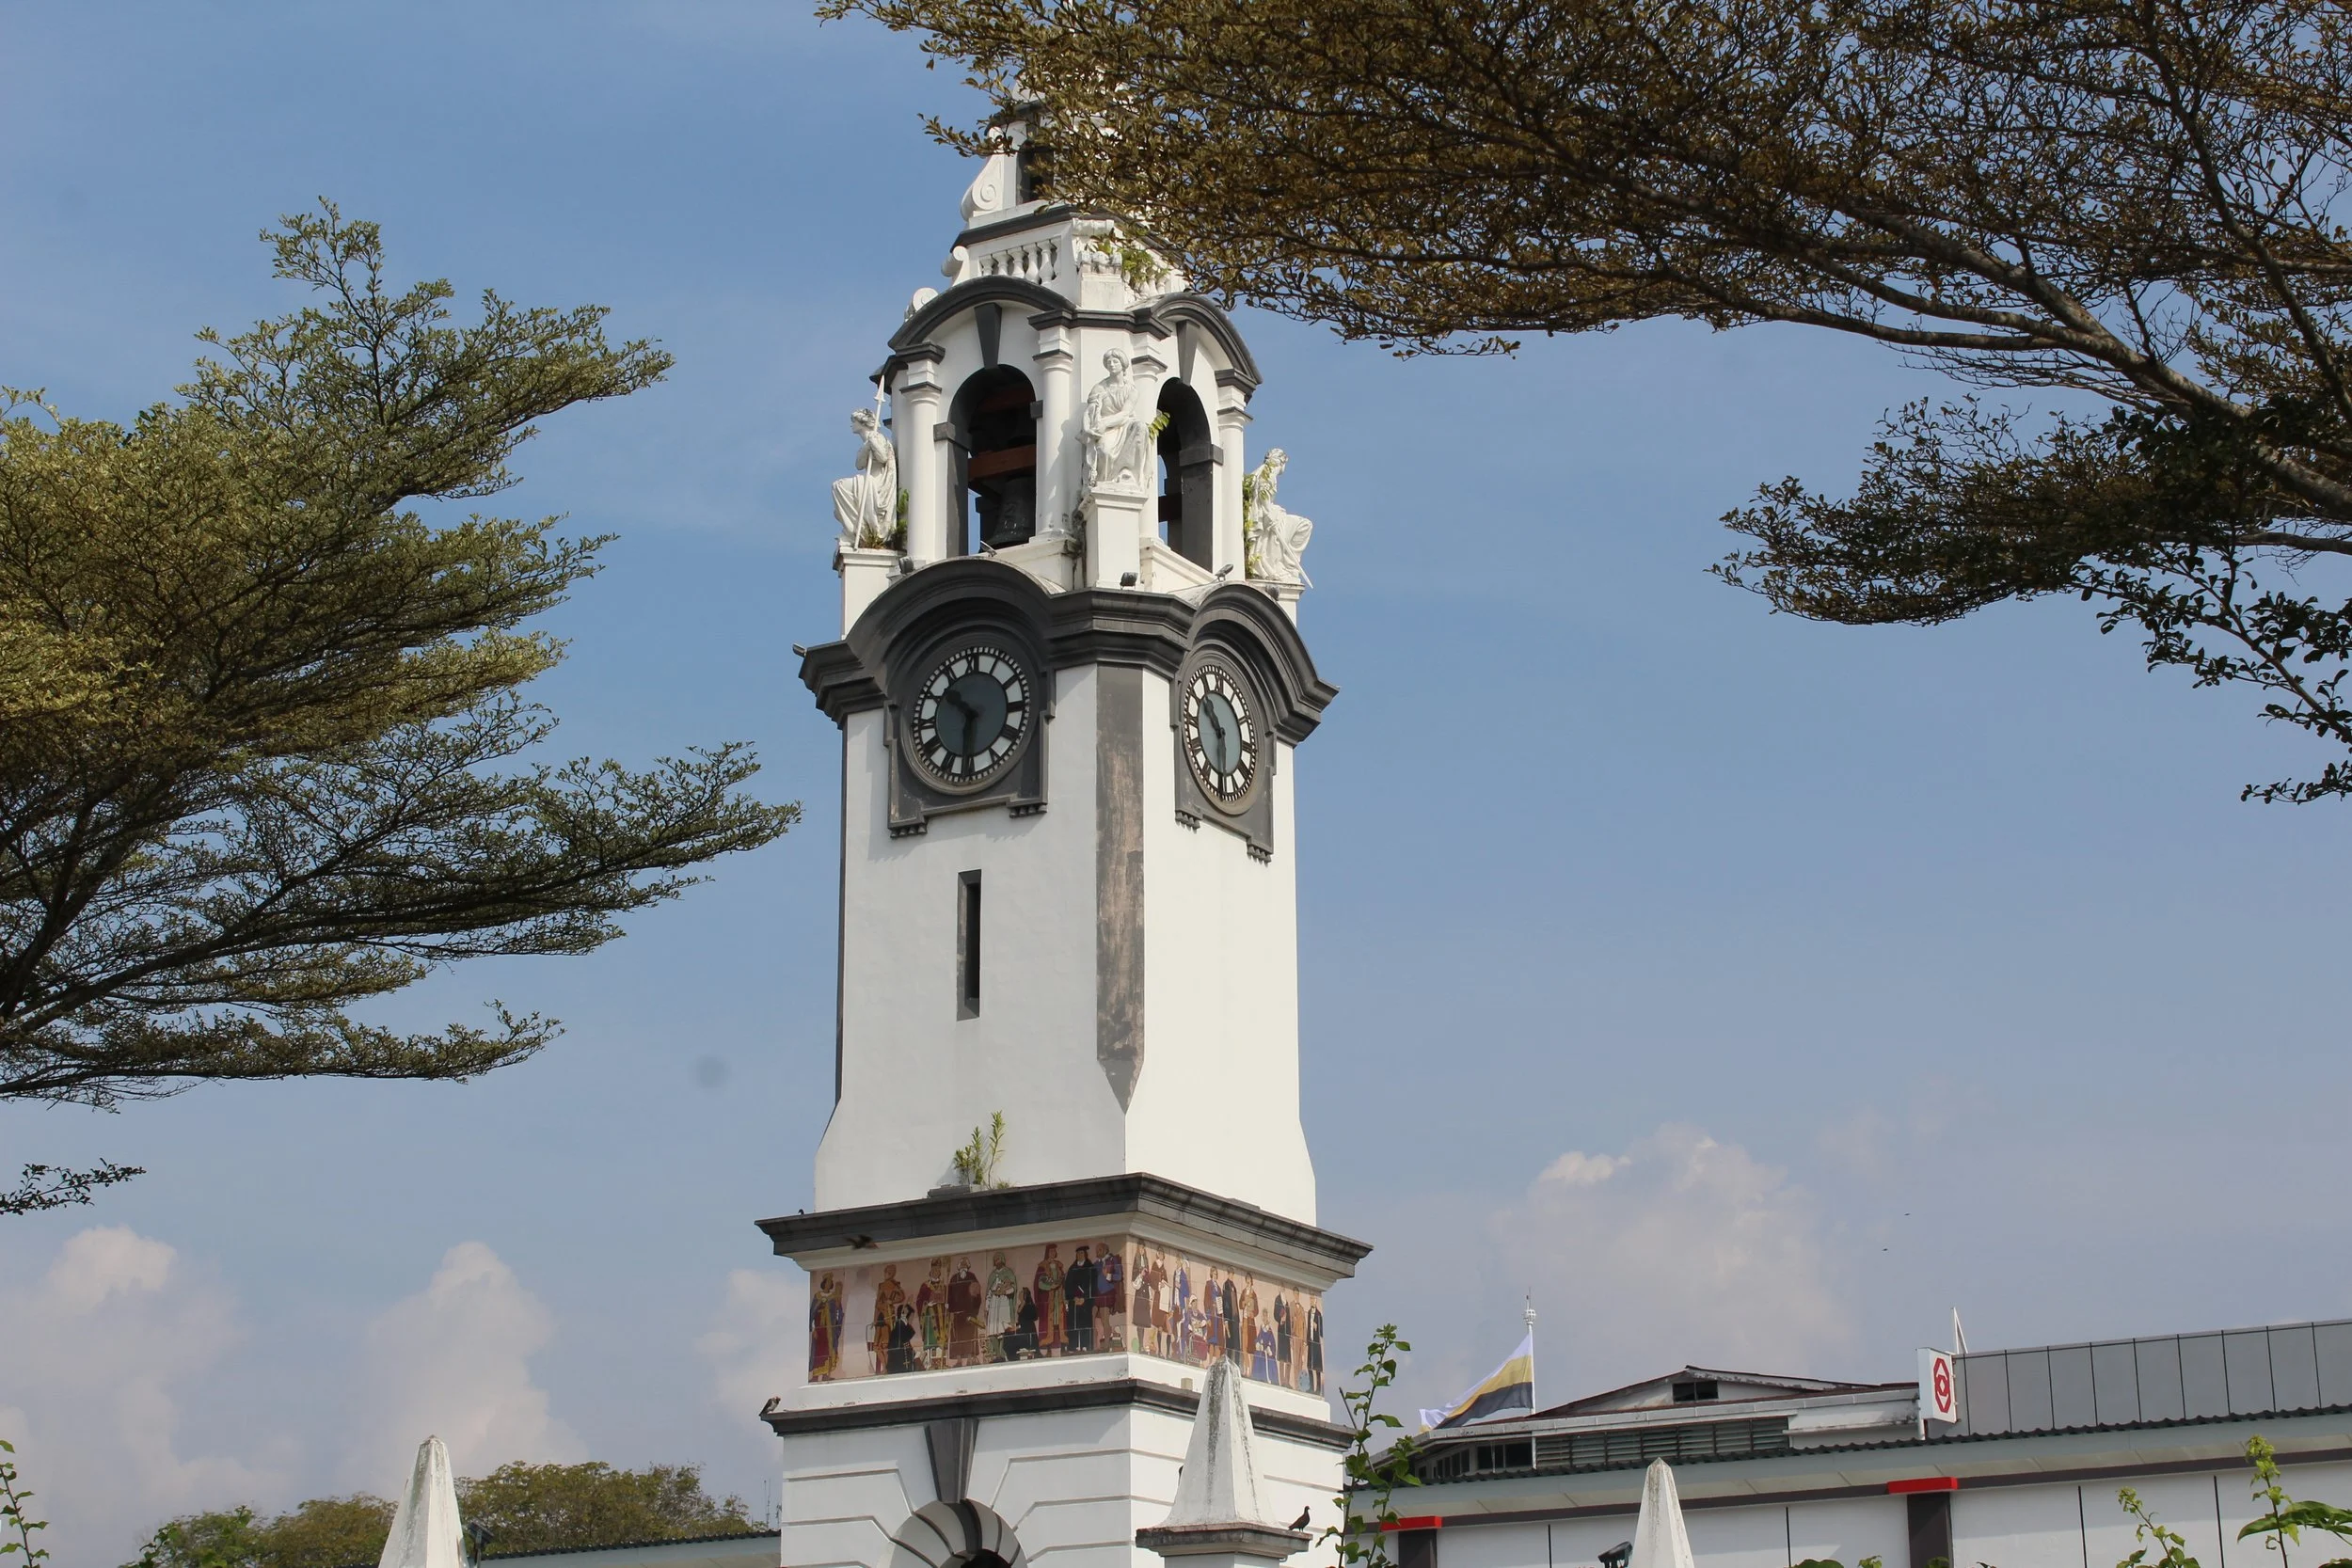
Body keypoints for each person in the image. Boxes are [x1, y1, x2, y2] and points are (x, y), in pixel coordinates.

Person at [1081, 352, 1152, 492]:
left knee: (1141, 427)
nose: (1112, 365)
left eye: (1115, 362)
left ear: (1123, 365)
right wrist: (1088, 427)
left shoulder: (1131, 390)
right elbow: (1089, 412)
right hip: (1105, 429)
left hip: (1122, 425)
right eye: (1109, 362)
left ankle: (1128, 473)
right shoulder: (1099, 388)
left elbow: (1125, 413)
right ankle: (1103, 482)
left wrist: (1105, 423)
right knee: (1105, 451)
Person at [1243, 448, 1313, 584]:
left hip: (1269, 514)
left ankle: (1287, 565)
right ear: (1281, 462)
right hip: (1266, 516)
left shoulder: (1264, 472)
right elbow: (1262, 493)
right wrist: (1268, 512)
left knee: (1303, 525)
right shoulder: (1268, 472)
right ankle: (1286, 565)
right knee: (1305, 525)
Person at [833, 406, 898, 548]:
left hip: (877, 482)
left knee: (839, 486)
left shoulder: (877, 437)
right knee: (838, 486)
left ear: (862, 423)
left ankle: (857, 530)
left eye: (854, 421)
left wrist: (872, 443)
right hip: (868, 480)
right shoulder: (866, 442)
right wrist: (867, 446)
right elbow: (859, 464)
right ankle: (855, 530)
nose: (851, 425)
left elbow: (882, 458)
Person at [869, 1264, 906, 1371]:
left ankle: (887, 1368)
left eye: (889, 1273)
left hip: (888, 1315)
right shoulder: (881, 1285)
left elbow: (901, 1296)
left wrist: (892, 1301)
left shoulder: (895, 1284)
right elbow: (877, 1302)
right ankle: (885, 1366)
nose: (886, 1274)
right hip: (880, 1315)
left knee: (886, 1344)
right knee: (876, 1346)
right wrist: (874, 1319)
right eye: (885, 1272)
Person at [809, 1273, 844, 1382]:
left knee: (828, 1350)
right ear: (824, 1283)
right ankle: (815, 1376)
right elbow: (812, 1313)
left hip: (829, 1330)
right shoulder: (817, 1296)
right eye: (827, 1282)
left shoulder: (833, 1297)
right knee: (818, 1351)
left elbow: (838, 1312)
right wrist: (813, 1329)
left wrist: (838, 1307)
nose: (828, 1284)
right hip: (819, 1329)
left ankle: (825, 1375)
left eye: (830, 1282)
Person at [948, 1256, 983, 1365]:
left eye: (965, 1264)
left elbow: (977, 1294)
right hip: (957, 1313)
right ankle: (959, 1360)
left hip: (969, 1313)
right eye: (961, 1264)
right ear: (959, 1266)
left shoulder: (972, 1277)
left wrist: (974, 1310)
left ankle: (969, 1359)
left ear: (968, 1266)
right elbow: (949, 1296)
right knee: (957, 1336)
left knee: (969, 1335)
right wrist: (950, 1310)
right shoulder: (954, 1278)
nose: (963, 1266)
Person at [985, 1251, 1020, 1360]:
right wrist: (987, 1306)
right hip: (993, 1305)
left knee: (1003, 1330)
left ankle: (1002, 1353)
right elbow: (989, 1292)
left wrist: (1004, 1291)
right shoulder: (992, 1275)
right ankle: (997, 1354)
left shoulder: (1008, 1273)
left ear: (1003, 1260)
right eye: (995, 1259)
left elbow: (1013, 1289)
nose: (997, 1261)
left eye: (999, 1259)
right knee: (992, 1332)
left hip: (1004, 1303)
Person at [1034, 1244, 1068, 1354]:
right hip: (1048, 1300)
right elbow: (1039, 1284)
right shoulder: (1042, 1266)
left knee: (1058, 1321)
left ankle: (1062, 1345)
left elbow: (1063, 1282)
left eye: (1054, 1251)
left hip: (1059, 1298)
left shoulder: (1059, 1266)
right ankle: (1047, 1347)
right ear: (1047, 1252)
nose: (1053, 1253)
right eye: (1051, 1251)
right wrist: (1050, 1286)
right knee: (1049, 1322)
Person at [1065, 1244, 1099, 1354]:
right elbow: (1068, 1285)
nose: (1080, 1255)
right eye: (1078, 1253)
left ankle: (1086, 1345)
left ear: (1085, 1254)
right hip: (1074, 1301)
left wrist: (1085, 1298)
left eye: (1082, 1253)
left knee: (1085, 1323)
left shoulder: (1090, 1268)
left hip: (1086, 1301)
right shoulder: (1072, 1268)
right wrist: (1073, 1297)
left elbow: (1093, 1285)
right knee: (1073, 1323)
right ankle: (1073, 1346)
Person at [1098, 1244, 1125, 1350]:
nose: (1098, 1251)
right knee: (1100, 1319)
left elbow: (1119, 1276)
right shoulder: (1097, 1263)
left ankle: (1107, 1344)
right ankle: (1100, 1344)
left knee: (1105, 1319)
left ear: (1105, 1250)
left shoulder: (1113, 1260)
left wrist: (1108, 1276)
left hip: (1108, 1292)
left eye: (1100, 1249)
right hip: (1098, 1294)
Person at [887, 1304, 919, 1374]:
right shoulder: (900, 1325)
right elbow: (905, 1338)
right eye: (911, 1316)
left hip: (902, 1354)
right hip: (898, 1358)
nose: (911, 1319)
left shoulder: (903, 1325)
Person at [1274, 1293, 1293, 1388]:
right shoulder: (1278, 1299)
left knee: (1288, 1359)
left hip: (1287, 1333)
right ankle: (1282, 1381)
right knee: (1281, 1358)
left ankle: (1287, 1381)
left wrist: (1290, 1334)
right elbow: (1275, 1314)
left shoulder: (1286, 1302)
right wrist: (1281, 1317)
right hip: (1281, 1331)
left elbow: (1288, 1319)